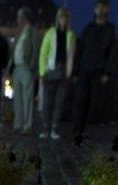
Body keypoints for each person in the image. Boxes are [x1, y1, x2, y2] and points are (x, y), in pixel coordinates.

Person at [72, 0, 115, 143]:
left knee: (93, 101)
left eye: (103, 7)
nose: (101, 10)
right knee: (80, 100)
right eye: (98, 7)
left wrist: (106, 72)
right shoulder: (88, 28)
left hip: (99, 70)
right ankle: (77, 129)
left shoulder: (110, 29)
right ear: (95, 9)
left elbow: (111, 52)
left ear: (107, 9)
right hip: (84, 68)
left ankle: (87, 130)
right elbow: (80, 50)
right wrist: (75, 71)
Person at [38, 7, 75, 139]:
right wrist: (42, 72)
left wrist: (69, 72)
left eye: (65, 17)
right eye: (61, 17)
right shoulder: (51, 33)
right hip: (51, 70)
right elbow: (43, 53)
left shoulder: (70, 35)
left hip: (64, 71)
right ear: (58, 19)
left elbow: (71, 55)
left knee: (59, 102)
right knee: (48, 101)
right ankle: (45, 127)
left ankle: (54, 128)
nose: (63, 20)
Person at [11, 7, 40, 134]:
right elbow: (15, 51)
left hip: (26, 67)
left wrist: (32, 66)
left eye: (19, 17)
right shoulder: (19, 32)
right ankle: (18, 124)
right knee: (17, 98)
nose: (17, 19)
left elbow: (36, 50)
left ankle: (27, 125)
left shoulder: (32, 31)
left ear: (24, 18)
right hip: (17, 68)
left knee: (27, 98)